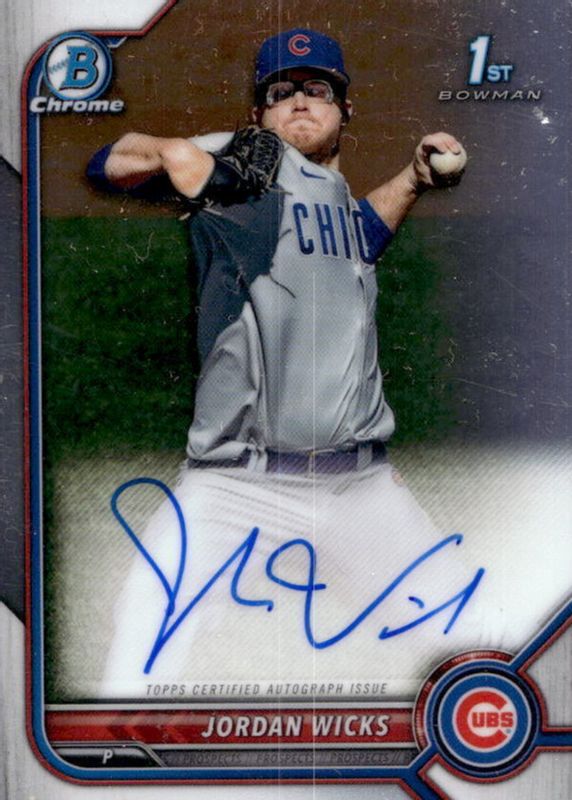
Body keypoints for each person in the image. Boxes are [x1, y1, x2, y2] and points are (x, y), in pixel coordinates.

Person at [88, 29, 484, 700]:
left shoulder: (334, 196)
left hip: (360, 487)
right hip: (234, 487)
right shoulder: (245, 161)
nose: (299, 100)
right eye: (281, 92)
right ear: (258, 115)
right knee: (136, 655)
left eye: (316, 89)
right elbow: (111, 162)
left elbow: (358, 237)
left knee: (479, 648)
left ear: (344, 110)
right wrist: (174, 151)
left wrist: (414, 179)